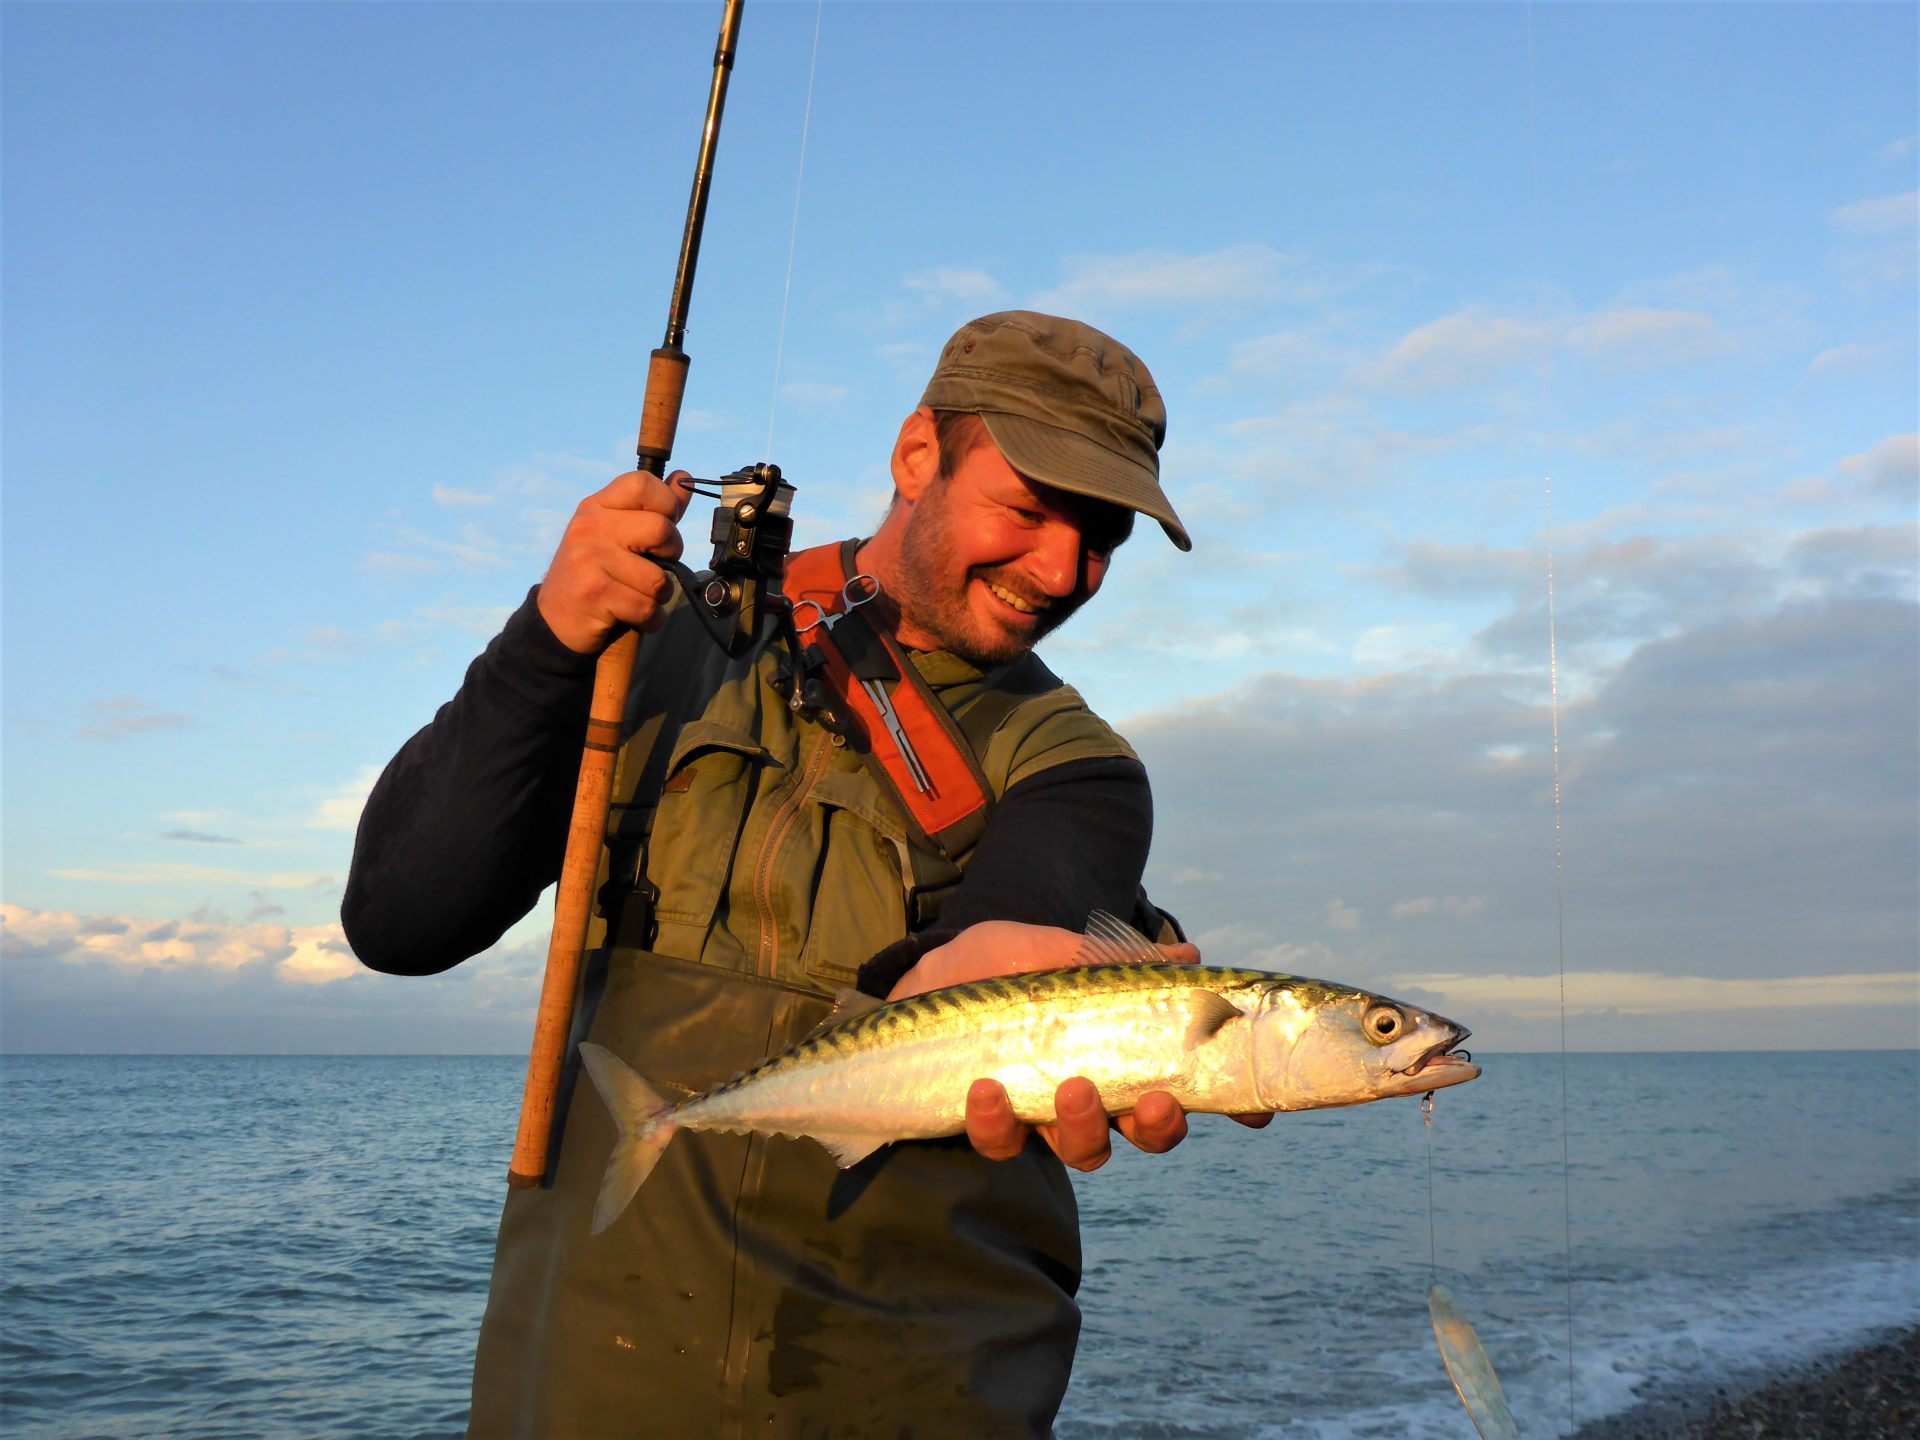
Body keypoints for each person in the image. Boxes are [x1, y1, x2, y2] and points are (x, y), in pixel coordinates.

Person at [344, 310, 1263, 1438]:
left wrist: (976, 962)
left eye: (1102, 537)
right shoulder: (651, 642)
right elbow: (400, 919)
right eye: (1027, 510)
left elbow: (1027, 900)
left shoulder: (1079, 766)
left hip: (914, 1398)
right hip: (588, 1380)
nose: (1063, 569)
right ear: (917, 455)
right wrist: (548, 637)